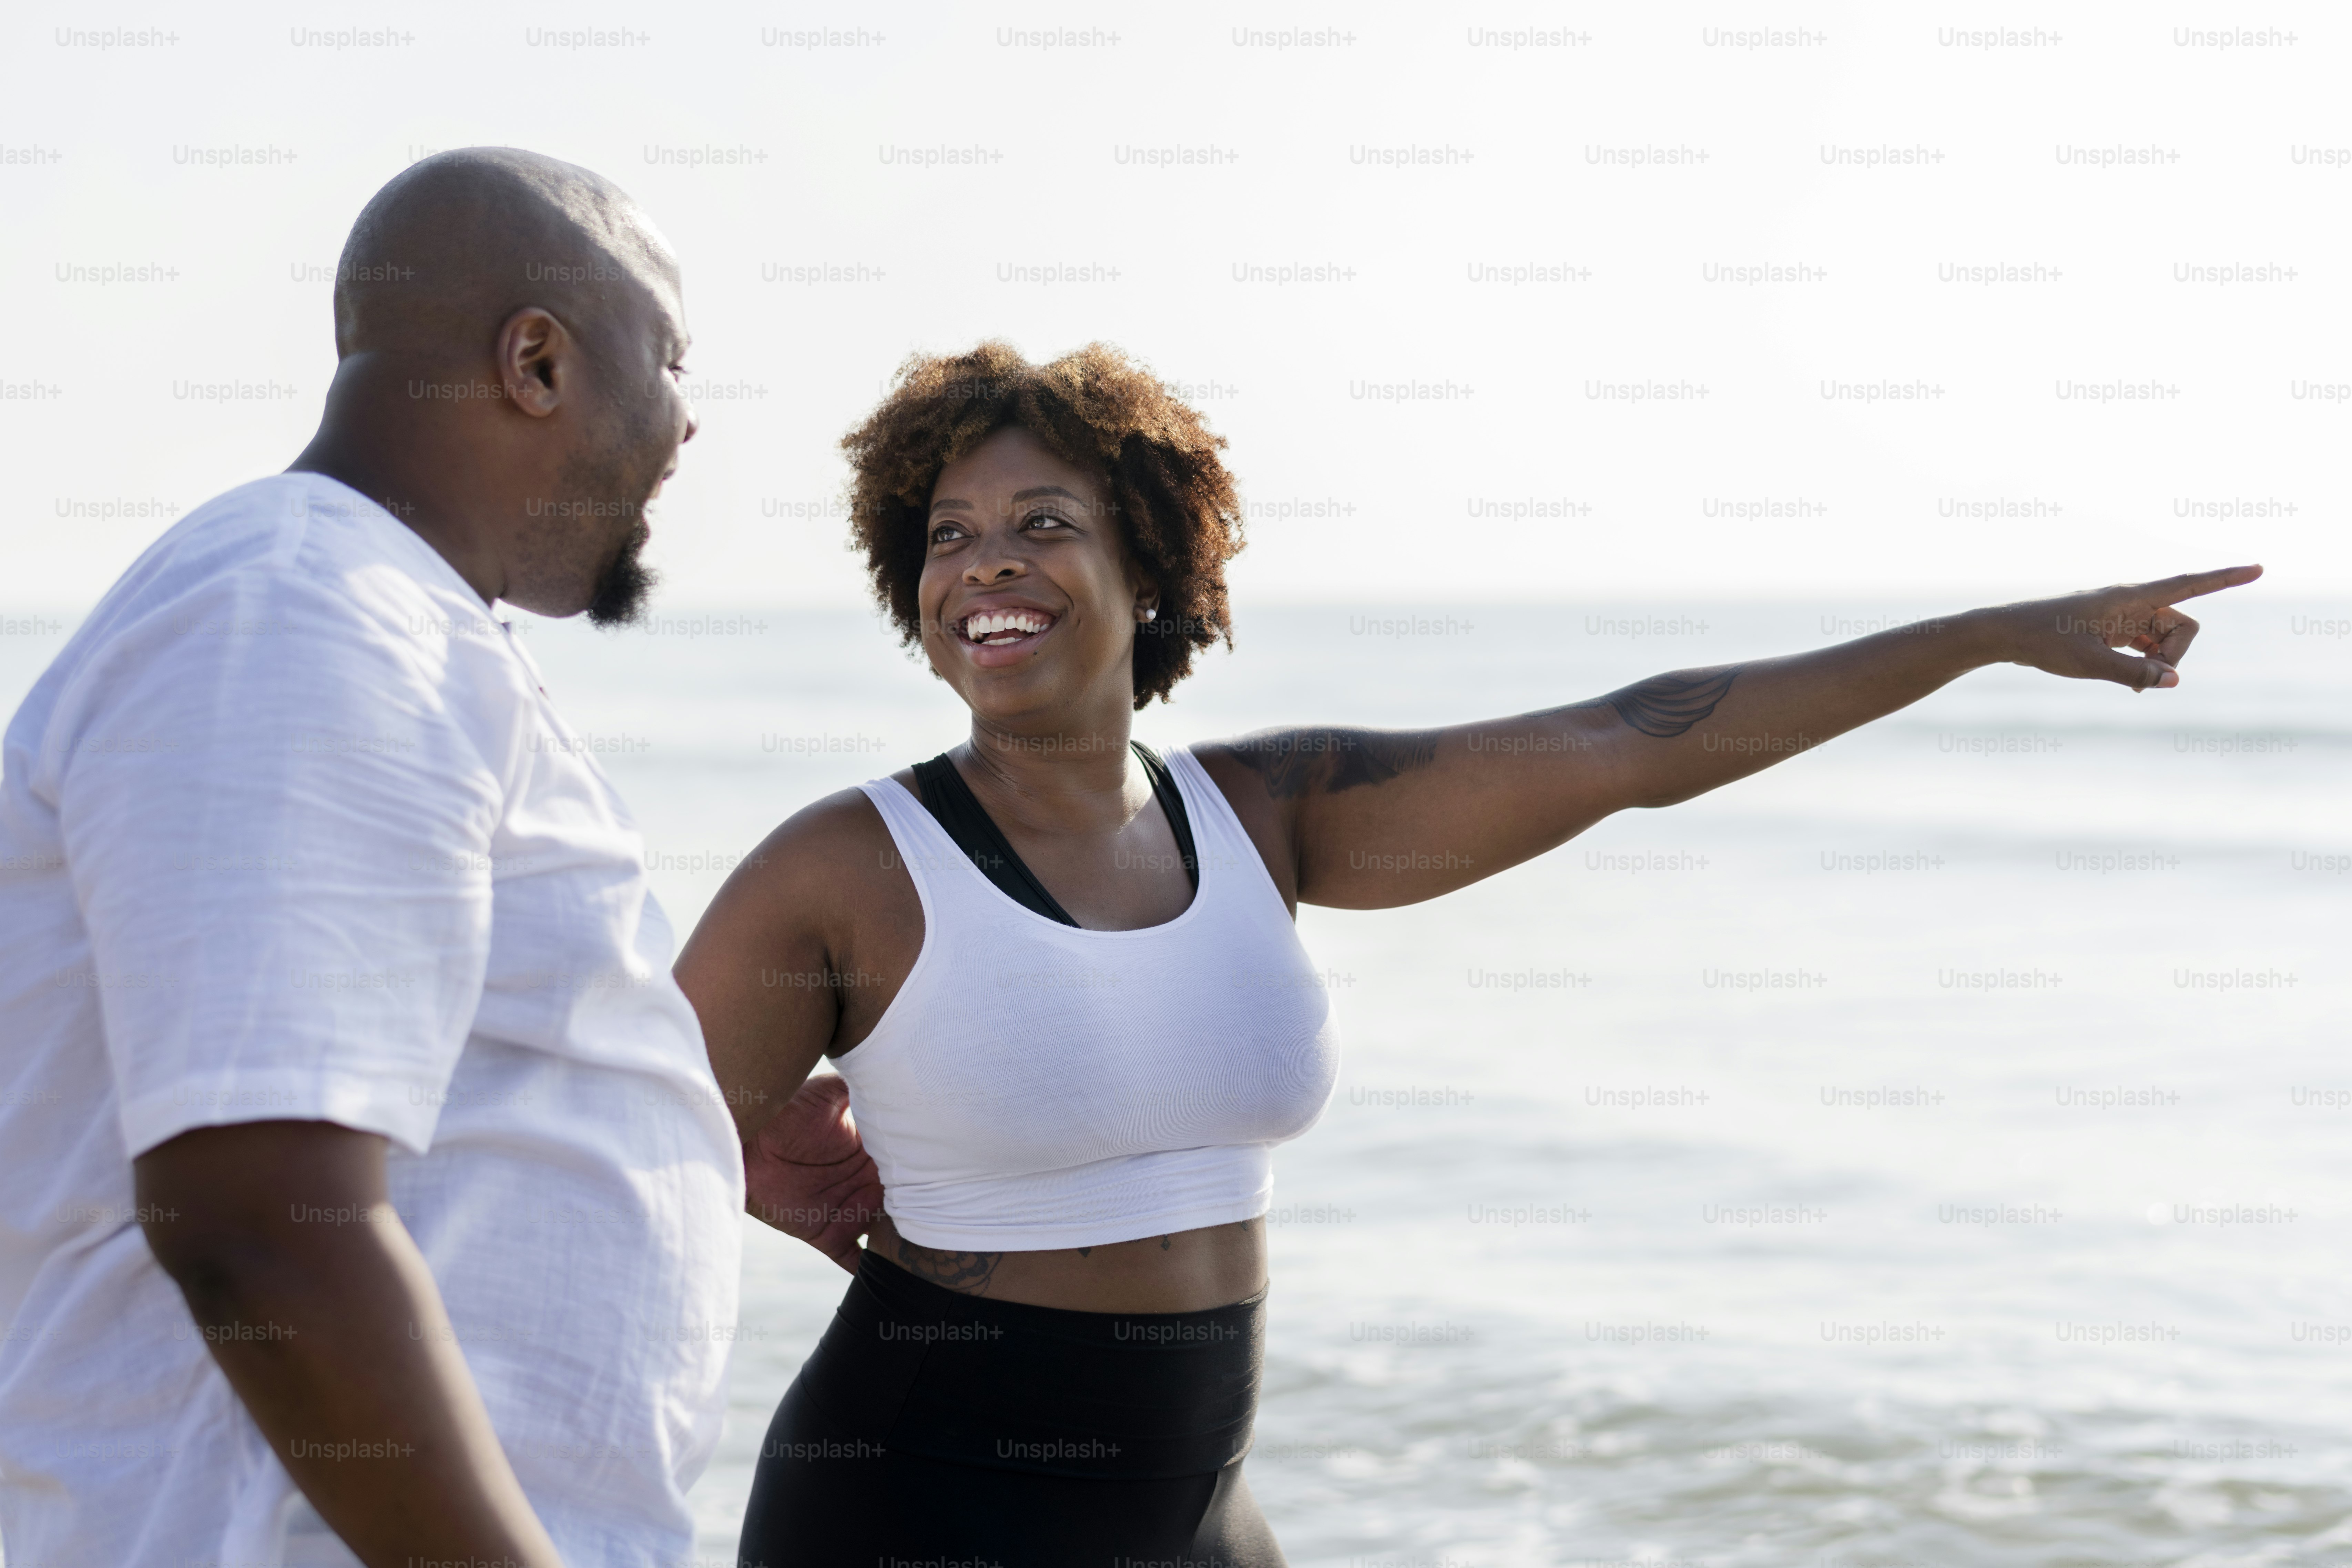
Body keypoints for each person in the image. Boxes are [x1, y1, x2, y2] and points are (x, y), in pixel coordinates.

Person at [676, 338, 2262, 1565]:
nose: (987, 563)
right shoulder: (849, 868)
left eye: (1043, 522)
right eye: (949, 534)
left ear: (1148, 566)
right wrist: (732, 1153)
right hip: (923, 1498)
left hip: (1197, 1503)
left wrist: (1988, 632)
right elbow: (596, 1129)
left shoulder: (1266, 813)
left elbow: (1637, 741)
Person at [0, 148, 742, 1568]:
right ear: (537, 360)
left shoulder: (374, 621)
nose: (689, 423)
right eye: (672, 360)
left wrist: (683, 1143)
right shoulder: (307, 615)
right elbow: (260, 1216)